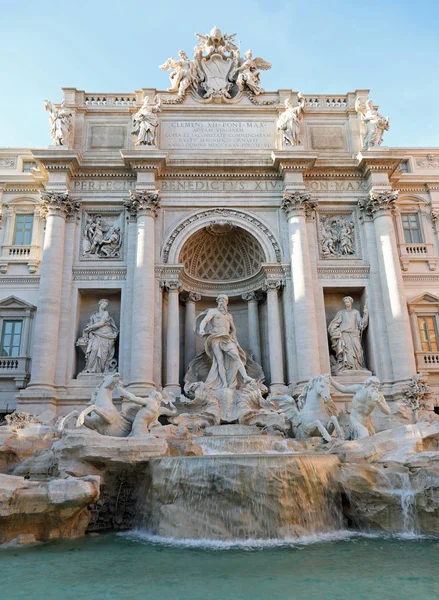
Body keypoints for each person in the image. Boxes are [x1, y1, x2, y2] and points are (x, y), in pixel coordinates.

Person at [197, 295, 253, 390]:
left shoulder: (228, 316)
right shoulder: (213, 311)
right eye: (220, 300)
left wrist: (233, 337)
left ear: (227, 302)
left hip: (226, 338)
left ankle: (245, 377)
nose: (222, 302)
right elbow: (205, 320)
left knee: (236, 356)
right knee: (220, 361)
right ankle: (224, 384)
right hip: (215, 337)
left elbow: (233, 329)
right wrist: (201, 329)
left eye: (224, 300)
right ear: (217, 302)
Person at [328, 296, 368, 373]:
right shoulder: (341, 312)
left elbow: (361, 324)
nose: (346, 303)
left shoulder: (355, 312)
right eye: (345, 302)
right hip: (344, 334)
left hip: (354, 334)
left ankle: (358, 366)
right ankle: (347, 367)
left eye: (348, 302)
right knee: (347, 351)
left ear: (351, 302)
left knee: (358, 349)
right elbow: (335, 323)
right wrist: (333, 330)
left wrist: (365, 314)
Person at [79, 299, 119, 373]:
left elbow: (101, 323)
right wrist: (86, 330)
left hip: (106, 334)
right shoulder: (93, 315)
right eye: (103, 304)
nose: (104, 306)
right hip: (96, 334)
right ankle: (89, 369)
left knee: (104, 354)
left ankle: (100, 369)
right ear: (99, 304)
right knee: (94, 349)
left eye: (106, 305)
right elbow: (90, 324)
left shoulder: (106, 313)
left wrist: (89, 328)